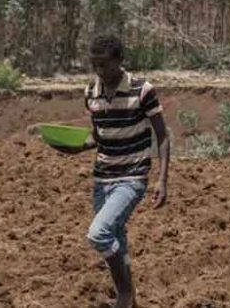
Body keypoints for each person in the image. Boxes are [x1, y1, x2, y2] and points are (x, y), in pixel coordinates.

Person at [54, 35, 170, 308]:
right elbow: (99, 137)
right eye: (95, 65)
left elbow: (163, 136)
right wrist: (73, 148)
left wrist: (162, 180)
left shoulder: (143, 91)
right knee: (117, 238)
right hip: (102, 179)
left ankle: (125, 292)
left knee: (99, 234)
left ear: (120, 61)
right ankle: (131, 301)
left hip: (132, 178)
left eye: (104, 65)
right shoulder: (90, 94)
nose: (100, 71)